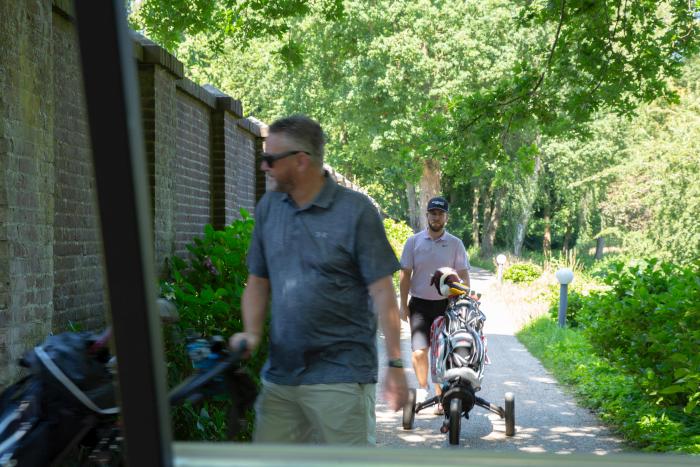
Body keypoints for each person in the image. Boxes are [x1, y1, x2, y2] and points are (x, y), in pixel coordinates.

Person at [229, 114, 407, 445]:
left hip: (341, 375)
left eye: (270, 159)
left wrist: (395, 364)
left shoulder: (355, 212)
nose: (264, 167)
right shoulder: (269, 208)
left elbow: (383, 292)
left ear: (301, 161)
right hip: (281, 376)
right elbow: (257, 281)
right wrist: (251, 333)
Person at [399, 196, 470, 414]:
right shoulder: (413, 242)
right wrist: (403, 305)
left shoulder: (456, 244)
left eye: (440, 214)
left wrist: (463, 300)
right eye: (433, 213)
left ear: (446, 217)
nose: (436, 217)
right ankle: (423, 388)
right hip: (419, 305)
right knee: (419, 352)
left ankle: (441, 396)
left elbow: (464, 277)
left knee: (442, 353)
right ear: (427, 215)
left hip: (446, 307)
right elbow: (405, 275)